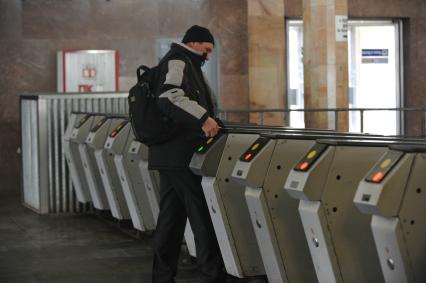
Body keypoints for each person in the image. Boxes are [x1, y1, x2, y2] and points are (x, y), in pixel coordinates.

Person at [149, 25, 224, 283]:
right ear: (193, 43)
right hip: (179, 154)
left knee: (171, 221)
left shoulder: (186, 63)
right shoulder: (179, 60)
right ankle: (213, 275)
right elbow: (168, 96)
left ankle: (162, 276)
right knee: (202, 215)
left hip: (170, 155)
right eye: (207, 49)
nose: (208, 55)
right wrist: (204, 119)